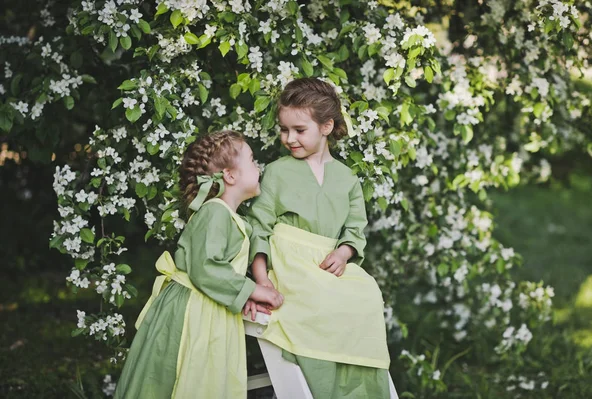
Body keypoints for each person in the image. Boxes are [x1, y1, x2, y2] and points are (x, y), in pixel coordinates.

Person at [247, 78, 391, 398]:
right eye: (284, 130)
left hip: (327, 260)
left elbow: (355, 228)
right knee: (316, 304)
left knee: (365, 294)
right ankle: (320, 386)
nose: (289, 138)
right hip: (290, 262)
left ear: (326, 126)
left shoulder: (347, 178)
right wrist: (261, 277)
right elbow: (259, 226)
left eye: (299, 130)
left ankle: (357, 387)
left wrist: (343, 253)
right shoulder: (278, 171)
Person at [114, 130, 284, 399]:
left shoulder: (227, 215)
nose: (258, 166)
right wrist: (254, 290)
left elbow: (227, 270)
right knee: (182, 376)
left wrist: (244, 293)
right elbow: (206, 267)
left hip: (210, 310)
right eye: (252, 160)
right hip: (193, 312)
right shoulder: (214, 212)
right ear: (230, 175)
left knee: (208, 379)